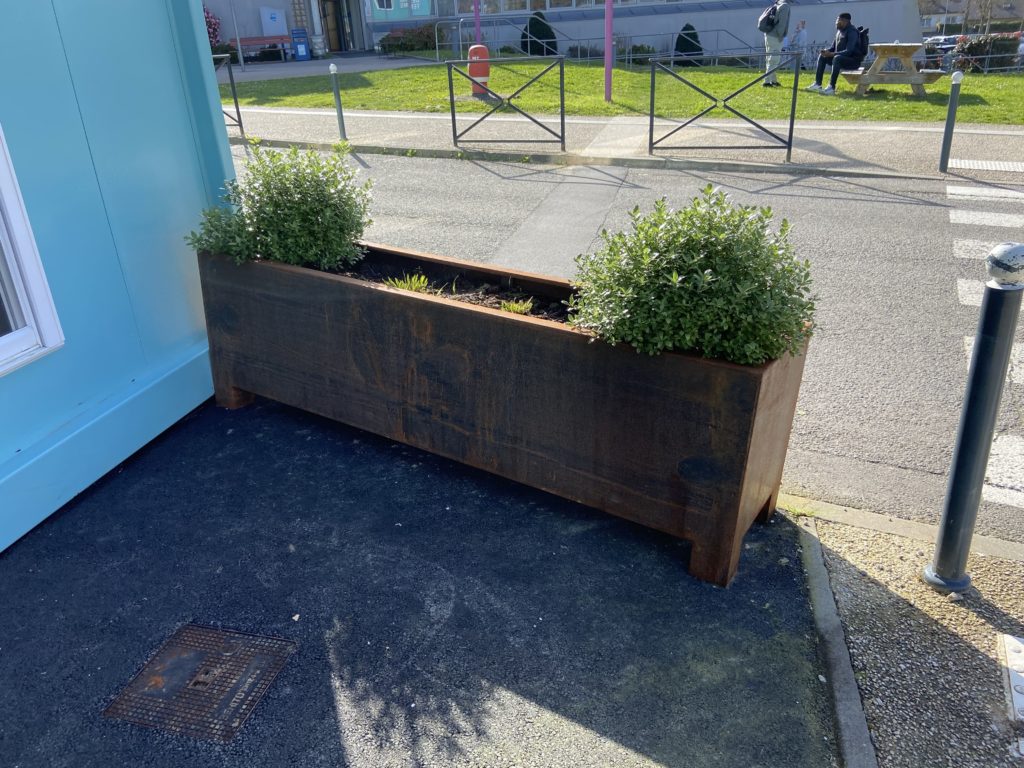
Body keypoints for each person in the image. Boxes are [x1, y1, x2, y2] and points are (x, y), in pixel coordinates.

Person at [806, 13, 863, 95]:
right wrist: (826, 52)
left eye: (838, 20)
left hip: (853, 61)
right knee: (823, 56)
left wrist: (832, 54)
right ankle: (817, 84)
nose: (836, 22)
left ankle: (831, 87)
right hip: (840, 59)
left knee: (837, 58)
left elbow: (849, 51)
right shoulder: (839, 31)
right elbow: (833, 48)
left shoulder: (852, 32)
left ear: (845, 21)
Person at [762, 0, 791, 87]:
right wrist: (781, 36)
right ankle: (766, 81)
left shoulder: (778, 3)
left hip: (768, 34)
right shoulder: (785, 6)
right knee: (774, 59)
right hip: (775, 36)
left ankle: (773, 80)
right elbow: (782, 23)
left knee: (770, 59)